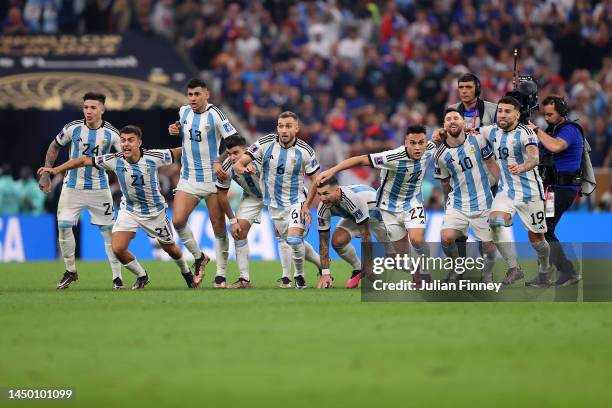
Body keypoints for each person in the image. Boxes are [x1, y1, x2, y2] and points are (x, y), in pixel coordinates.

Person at [38, 126, 198, 290]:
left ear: (139, 143)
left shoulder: (154, 156)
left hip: (154, 212)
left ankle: (187, 273)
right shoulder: (114, 159)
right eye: (123, 140)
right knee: (118, 248)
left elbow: (182, 151)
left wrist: (202, 153)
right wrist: (55, 170)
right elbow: (82, 160)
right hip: (129, 210)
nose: (126, 144)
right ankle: (142, 275)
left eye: (130, 140)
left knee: (170, 249)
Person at [316, 125, 435, 284]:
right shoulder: (392, 157)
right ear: (406, 142)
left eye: (421, 142)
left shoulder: (430, 148)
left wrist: (442, 133)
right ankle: (361, 268)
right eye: (413, 143)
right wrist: (333, 170)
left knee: (417, 239)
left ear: (426, 142)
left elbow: (441, 139)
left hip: (405, 205)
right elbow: (360, 160)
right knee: (398, 261)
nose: (418, 147)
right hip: (387, 209)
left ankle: (424, 271)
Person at [37, 92, 124, 289]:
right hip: (72, 187)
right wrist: (46, 174)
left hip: (99, 189)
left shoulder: (112, 134)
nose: (89, 111)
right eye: (86, 107)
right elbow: (54, 146)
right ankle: (70, 270)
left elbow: (124, 159)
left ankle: (117, 278)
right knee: (64, 226)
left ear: (103, 109)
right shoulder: (73, 128)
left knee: (109, 234)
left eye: (93, 107)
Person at [216, 135, 321, 288]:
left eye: (236, 153)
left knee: (288, 237)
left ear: (246, 150)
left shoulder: (262, 157)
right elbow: (221, 194)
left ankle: (288, 277)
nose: (232, 157)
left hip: (278, 195)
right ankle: (244, 279)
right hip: (252, 197)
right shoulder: (227, 168)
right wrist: (232, 221)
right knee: (239, 231)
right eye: (229, 153)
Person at [168, 78, 239, 288]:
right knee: (178, 221)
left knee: (218, 225)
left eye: (197, 94)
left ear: (206, 94)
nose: (193, 98)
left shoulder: (215, 114)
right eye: (190, 94)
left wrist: (219, 160)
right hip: (188, 177)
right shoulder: (183, 112)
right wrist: (175, 130)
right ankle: (200, 257)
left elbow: (234, 141)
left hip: (212, 179)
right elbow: (184, 131)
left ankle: (221, 274)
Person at [481, 96, 551, 287]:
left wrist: (522, 167)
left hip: (530, 193)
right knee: (494, 223)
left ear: (518, 115)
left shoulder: (525, 133)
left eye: (507, 111)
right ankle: (514, 268)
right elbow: (468, 132)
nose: (502, 115)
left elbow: (534, 157)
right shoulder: (491, 131)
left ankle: (544, 270)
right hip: (506, 191)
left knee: (537, 239)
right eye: (500, 111)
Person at [434, 108, 500, 283]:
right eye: (448, 119)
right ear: (444, 126)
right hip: (457, 203)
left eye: (456, 118)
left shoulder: (478, 140)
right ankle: (457, 268)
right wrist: (446, 202)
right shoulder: (439, 154)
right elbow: (444, 181)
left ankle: (487, 274)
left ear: (464, 123)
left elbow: (491, 163)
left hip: (484, 200)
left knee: (489, 246)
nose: (452, 121)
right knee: (446, 237)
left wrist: (504, 187)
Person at [527, 96, 583, 286]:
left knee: (545, 228)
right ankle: (551, 273)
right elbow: (540, 154)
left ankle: (566, 271)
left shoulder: (570, 130)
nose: (547, 118)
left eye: (550, 114)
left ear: (562, 112)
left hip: (564, 188)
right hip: (552, 189)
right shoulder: (553, 131)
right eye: (545, 114)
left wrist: (536, 130)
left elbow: (555, 146)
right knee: (543, 229)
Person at [315, 176, 390, 289]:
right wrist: (325, 274)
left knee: (397, 253)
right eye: (319, 194)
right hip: (354, 214)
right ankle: (358, 268)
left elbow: (365, 235)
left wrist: (368, 266)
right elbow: (323, 242)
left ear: (337, 190)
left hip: (378, 213)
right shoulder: (323, 208)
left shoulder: (352, 199)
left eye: (326, 193)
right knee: (337, 241)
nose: (322, 198)